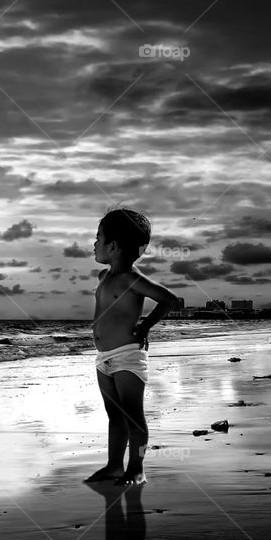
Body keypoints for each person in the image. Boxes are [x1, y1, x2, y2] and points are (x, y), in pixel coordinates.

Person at [84, 208, 179, 486]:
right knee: (114, 415)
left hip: (128, 356)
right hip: (104, 358)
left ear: (112, 246)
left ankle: (137, 468)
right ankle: (115, 466)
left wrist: (146, 325)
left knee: (133, 415)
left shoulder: (130, 279)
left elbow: (170, 299)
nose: (94, 243)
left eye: (97, 238)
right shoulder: (104, 278)